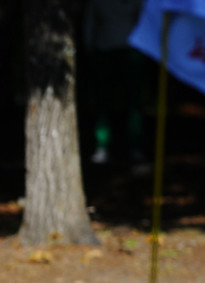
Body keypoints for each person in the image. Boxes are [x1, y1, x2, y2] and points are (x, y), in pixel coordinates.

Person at [82, 0, 148, 169]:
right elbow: (90, 22)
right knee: (104, 102)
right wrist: (89, 45)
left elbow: (144, 19)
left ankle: (133, 147)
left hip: (129, 50)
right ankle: (104, 146)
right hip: (107, 51)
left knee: (132, 102)